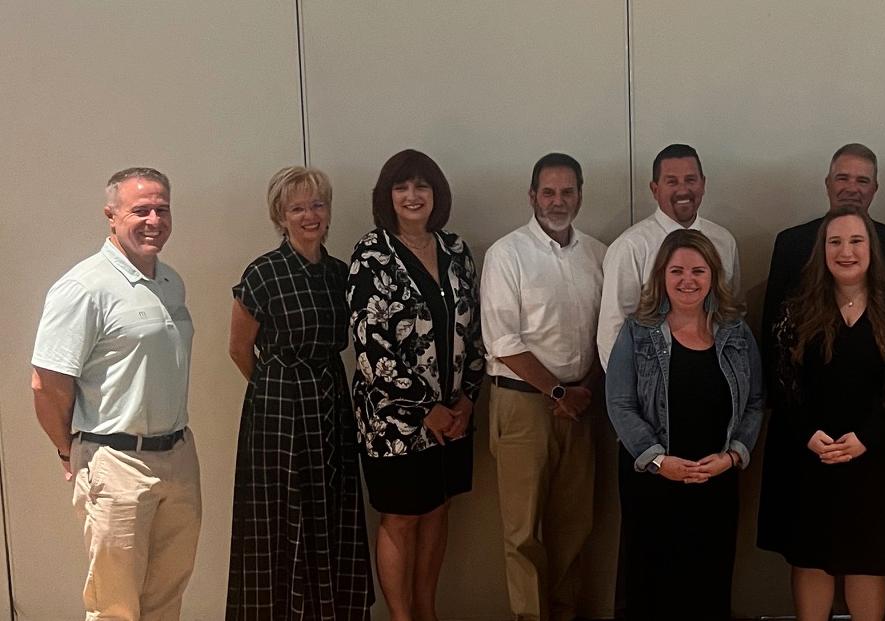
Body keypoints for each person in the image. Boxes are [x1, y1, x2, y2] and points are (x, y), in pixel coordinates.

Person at [31, 167, 202, 620]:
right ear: (110, 216)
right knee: (116, 607)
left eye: (161, 210)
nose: (153, 220)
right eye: (139, 210)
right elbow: (46, 384)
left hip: (178, 457)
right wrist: (69, 452)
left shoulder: (171, 282)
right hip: (116, 463)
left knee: (167, 598)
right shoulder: (84, 287)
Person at [759, 208, 885, 621]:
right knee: (811, 555)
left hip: (878, 455)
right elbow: (781, 377)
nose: (846, 251)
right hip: (810, 454)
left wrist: (865, 437)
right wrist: (809, 434)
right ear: (822, 250)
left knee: (868, 558)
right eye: (835, 242)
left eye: (856, 241)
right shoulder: (796, 306)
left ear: (872, 248)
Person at [226, 166, 373, 619]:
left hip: (331, 404)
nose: (309, 215)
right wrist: (278, 391)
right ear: (281, 215)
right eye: (297, 207)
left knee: (333, 512)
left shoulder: (340, 274)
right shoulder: (263, 273)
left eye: (317, 205)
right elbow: (238, 349)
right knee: (280, 518)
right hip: (279, 412)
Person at [348, 149, 484, 621]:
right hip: (394, 419)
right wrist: (426, 408)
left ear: (436, 194)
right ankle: (403, 617)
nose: (412, 195)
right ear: (388, 196)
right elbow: (371, 348)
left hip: (454, 414)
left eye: (421, 186)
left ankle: (428, 610)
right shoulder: (371, 255)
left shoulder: (455, 250)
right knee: (402, 517)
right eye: (402, 187)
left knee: (438, 508)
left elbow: (475, 330)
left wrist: (467, 398)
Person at [604, 229, 764, 621]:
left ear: (713, 277)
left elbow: (756, 403)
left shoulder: (737, 333)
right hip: (653, 482)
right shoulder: (637, 331)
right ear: (661, 276)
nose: (687, 280)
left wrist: (733, 457)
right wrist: (660, 462)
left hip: (716, 481)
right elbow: (620, 405)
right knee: (652, 587)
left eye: (698, 270)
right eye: (676, 271)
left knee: (707, 586)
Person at [479, 153, 606, 621]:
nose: (558, 201)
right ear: (532, 196)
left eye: (567, 191)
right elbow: (503, 340)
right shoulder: (506, 254)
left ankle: (565, 613)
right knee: (523, 531)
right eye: (548, 192)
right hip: (524, 406)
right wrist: (558, 393)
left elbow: (606, 333)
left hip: (582, 403)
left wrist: (583, 391)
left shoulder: (597, 254)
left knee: (574, 526)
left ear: (580, 194)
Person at [763, 143, 885, 367]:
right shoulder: (790, 244)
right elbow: (771, 331)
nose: (852, 188)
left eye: (862, 181)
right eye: (842, 178)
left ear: (875, 188)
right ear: (827, 184)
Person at [597, 143, 740, 370]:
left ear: (703, 184)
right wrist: (627, 391)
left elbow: (729, 313)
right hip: (651, 384)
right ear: (655, 189)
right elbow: (613, 329)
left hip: (715, 374)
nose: (683, 190)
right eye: (672, 181)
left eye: (690, 180)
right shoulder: (631, 246)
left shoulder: (724, 242)